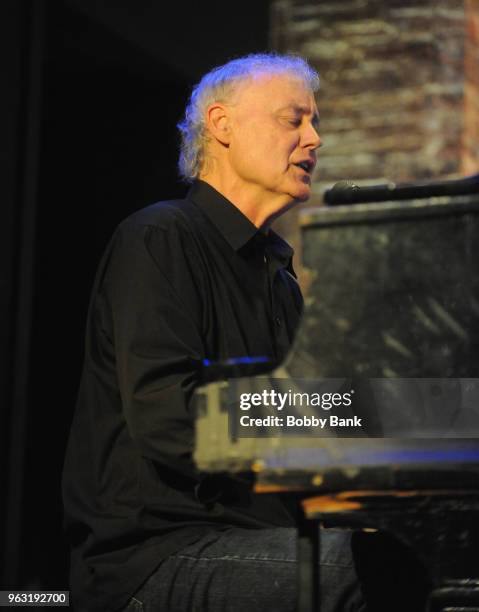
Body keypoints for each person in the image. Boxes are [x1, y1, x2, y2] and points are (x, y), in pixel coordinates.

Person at [62, 53, 365, 612]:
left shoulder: (278, 280)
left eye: (315, 122)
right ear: (222, 126)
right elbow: (170, 417)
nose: (315, 138)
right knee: (379, 573)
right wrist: (331, 412)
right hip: (157, 556)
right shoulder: (159, 238)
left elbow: (308, 435)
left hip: (259, 540)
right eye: (293, 119)